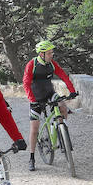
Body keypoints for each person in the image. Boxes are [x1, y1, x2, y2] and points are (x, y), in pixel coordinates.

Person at [22, 40, 77, 171]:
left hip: (49, 93)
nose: (52, 55)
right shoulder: (32, 64)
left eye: (52, 52)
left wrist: (72, 90)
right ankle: (32, 157)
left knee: (62, 105)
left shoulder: (52, 64)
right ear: (41, 54)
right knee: (34, 129)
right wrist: (32, 99)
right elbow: (26, 83)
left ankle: (60, 128)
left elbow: (63, 75)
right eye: (49, 53)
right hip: (36, 97)